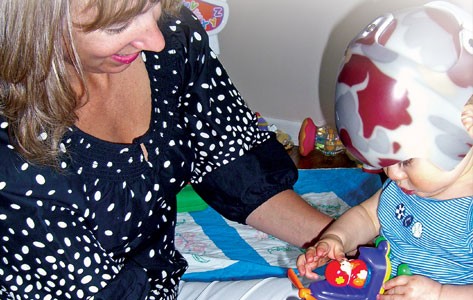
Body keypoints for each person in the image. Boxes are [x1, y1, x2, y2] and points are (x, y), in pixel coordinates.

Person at [0, 0, 333, 299]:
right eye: (118, 25)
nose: (154, 39)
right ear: (35, 27)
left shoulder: (172, 35)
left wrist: (342, 245)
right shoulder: (10, 157)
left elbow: (232, 164)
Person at [297, 1, 473, 299]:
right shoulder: (406, 188)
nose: (391, 172)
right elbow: (368, 217)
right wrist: (335, 239)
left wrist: (441, 294)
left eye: (405, 160)